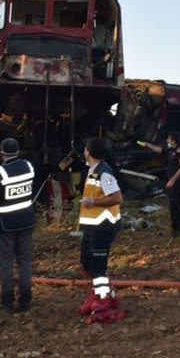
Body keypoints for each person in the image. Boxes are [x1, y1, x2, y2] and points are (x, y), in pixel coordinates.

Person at [76, 137, 125, 324]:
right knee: (87, 264)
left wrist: (93, 202)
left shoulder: (104, 173)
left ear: (88, 152)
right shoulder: (93, 171)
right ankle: (104, 292)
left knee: (98, 268)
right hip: (91, 227)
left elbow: (117, 198)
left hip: (103, 227)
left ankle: (103, 302)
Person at [0, 138, 36, 312]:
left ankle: (7, 301)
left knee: (6, 264)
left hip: (5, 226)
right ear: (18, 151)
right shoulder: (29, 167)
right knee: (25, 263)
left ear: (1, 153)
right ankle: (26, 300)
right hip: (27, 222)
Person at [139, 131, 180, 237]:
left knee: (173, 206)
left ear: (173, 140)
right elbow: (160, 150)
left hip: (178, 183)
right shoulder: (171, 150)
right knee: (175, 205)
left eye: (168, 139)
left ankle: (176, 229)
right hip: (171, 183)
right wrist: (147, 145)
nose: (167, 141)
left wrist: (172, 180)